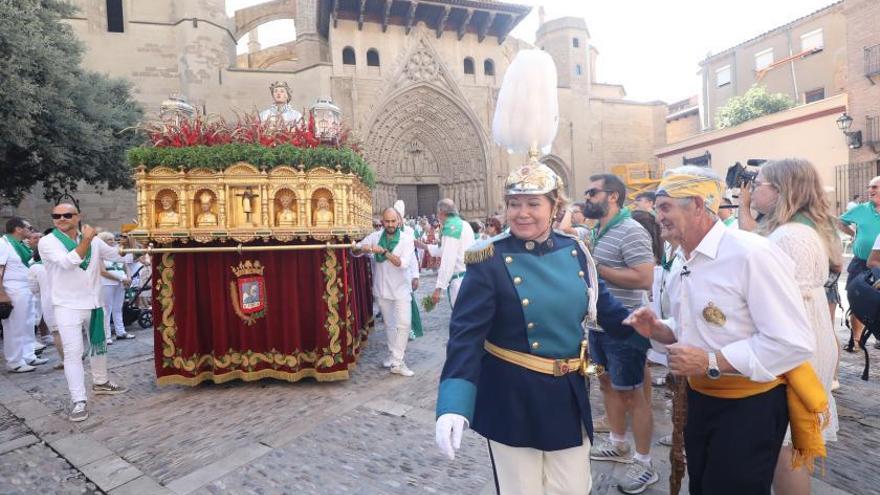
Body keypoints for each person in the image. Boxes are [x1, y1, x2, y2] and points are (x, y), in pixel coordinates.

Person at [434, 163, 637, 494]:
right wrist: (453, 404)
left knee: (572, 488)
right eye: (514, 204)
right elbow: (465, 339)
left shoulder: (576, 252)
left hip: (568, 395)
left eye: (533, 204)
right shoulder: (489, 259)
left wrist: (655, 330)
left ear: (555, 206)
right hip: (512, 397)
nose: (522, 213)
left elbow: (608, 312)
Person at [625, 166, 826, 495]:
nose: (657, 216)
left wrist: (710, 361)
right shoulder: (681, 260)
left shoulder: (751, 254)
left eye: (665, 207)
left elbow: (792, 342)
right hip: (701, 401)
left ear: (698, 205)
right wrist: (661, 329)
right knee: (703, 486)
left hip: (750, 407)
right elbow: (700, 326)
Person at [749, 159, 841, 494]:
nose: (751, 190)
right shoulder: (795, 230)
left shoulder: (790, 236)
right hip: (803, 340)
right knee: (789, 445)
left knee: (787, 447)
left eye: (758, 183)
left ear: (779, 189)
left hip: (796, 349)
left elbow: (787, 304)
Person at [582, 174, 658, 494]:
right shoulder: (597, 230)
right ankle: (618, 443)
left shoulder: (631, 230)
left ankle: (644, 462)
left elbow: (644, 278)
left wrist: (598, 270)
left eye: (593, 192)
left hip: (625, 326)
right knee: (606, 384)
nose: (587, 197)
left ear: (612, 197)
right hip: (598, 326)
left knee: (632, 394)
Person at [38, 204, 131, 422]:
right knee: (73, 352)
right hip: (67, 305)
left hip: (94, 302)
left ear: (78, 216)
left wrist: (135, 241)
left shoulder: (92, 239)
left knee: (98, 347)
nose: (61, 218)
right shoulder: (48, 241)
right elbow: (69, 263)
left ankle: (101, 382)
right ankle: (79, 401)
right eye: (56, 216)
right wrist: (88, 240)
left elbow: (120, 257)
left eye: (67, 215)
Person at [353, 207, 416, 377]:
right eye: (387, 221)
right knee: (389, 325)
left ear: (399, 221)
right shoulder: (375, 236)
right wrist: (362, 248)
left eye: (393, 221)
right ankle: (395, 359)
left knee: (404, 323)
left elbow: (402, 263)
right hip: (382, 288)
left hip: (401, 288)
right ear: (382, 222)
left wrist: (384, 252)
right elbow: (355, 251)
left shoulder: (406, 239)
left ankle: (397, 359)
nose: (390, 224)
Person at [839, 176, 880, 351]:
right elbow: (840, 222)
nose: (870, 190)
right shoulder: (861, 209)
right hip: (861, 263)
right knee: (856, 300)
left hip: (879, 265)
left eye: (875, 187)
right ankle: (856, 340)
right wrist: (853, 235)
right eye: (869, 186)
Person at [1, 217, 47, 372]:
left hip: (24, 287)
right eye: (29, 227)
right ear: (18, 229)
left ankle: (28, 355)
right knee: (15, 326)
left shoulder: (19, 245)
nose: (31, 230)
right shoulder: (3, 244)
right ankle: (15, 361)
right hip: (12, 288)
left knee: (27, 324)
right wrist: (2, 295)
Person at [418, 199, 475, 308]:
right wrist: (424, 246)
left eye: (438, 214)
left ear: (441, 213)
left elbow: (448, 260)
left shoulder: (452, 229)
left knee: (461, 319)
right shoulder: (464, 224)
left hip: (459, 282)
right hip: (470, 278)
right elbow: (446, 250)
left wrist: (438, 289)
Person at [28, 246, 65, 370]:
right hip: (68, 298)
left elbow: (33, 288)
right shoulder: (62, 263)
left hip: (50, 301)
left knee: (56, 331)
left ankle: (65, 360)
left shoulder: (35, 267)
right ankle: (76, 355)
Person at [97, 232, 134, 343]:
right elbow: (102, 271)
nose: (113, 241)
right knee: (106, 309)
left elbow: (125, 265)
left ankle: (121, 332)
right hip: (107, 283)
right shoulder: (99, 253)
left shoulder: (117, 251)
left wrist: (129, 277)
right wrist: (121, 279)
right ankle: (106, 336)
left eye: (113, 239)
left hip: (121, 282)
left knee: (118, 308)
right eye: (109, 239)